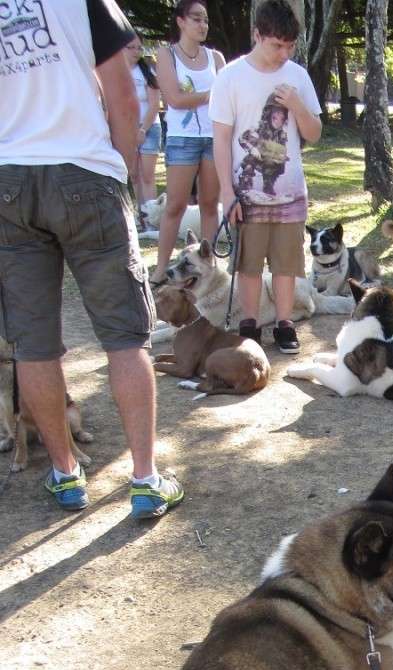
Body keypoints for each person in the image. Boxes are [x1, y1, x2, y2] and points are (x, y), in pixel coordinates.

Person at [0, 0, 182, 516]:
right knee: (126, 338)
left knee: (33, 344)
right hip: (84, 169)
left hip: (9, 177)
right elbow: (124, 94)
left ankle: (65, 474)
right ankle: (145, 480)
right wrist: (120, 174)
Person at [210, 0, 322, 356]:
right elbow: (222, 139)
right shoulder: (230, 77)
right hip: (246, 193)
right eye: (277, 44)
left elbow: (314, 132)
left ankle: (285, 322)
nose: (283, 53)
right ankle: (249, 321)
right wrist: (227, 192)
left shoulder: (298, 76)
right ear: (257, 35)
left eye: (289, 46)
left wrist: (297, 105)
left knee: (287, 263)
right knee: (249, 261)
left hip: (290, 189)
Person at [151, 1, 225, 285]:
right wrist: (210, 95)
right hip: (182, 139)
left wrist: (208, 96)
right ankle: (160, 269)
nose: (202, 25)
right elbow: (174, 99)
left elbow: (227, 95)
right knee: (175, 205)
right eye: (196, 18)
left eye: (205, 20)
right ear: (180, 21)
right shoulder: (166, 54)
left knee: (209, 204)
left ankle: (207, 267)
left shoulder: (216, 58)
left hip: (213, 136)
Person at [125, 36, 161, 219]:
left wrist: (142, 130)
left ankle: (151, 216)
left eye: (139, 48)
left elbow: (154, 105)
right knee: (132, 174)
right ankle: (138, 215)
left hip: (149, 127)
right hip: (126, 127)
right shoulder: (117, 72)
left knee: (147, 175)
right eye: (131, 48)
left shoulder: (147, 72)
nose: (136, 52)